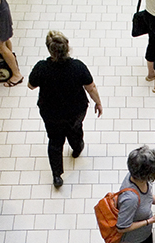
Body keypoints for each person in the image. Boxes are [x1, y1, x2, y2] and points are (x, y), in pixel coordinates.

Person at [28, 30, 103, 188]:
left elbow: (31, 85)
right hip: (76, 110)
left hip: (51, 113)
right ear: (67, 47)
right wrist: (98, 102)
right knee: (75, 129)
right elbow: (91, 87)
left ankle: (57, 175)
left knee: (55, 141)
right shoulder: (77, 66)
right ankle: (76, 147)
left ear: (49, 49)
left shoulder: (42, 68)